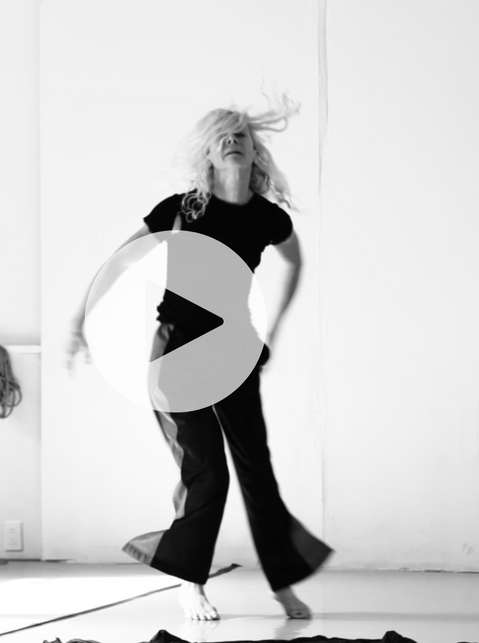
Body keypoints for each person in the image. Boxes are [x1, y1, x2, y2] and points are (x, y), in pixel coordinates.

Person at [67, 98, 331, 621]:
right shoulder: (182, 208)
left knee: (257, 469)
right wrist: (80, 321)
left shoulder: (267, 218)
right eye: (222, 136)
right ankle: (191, 582)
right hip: (178, 352)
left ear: (256, 153)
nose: (233, 141)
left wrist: (273, 328)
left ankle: (282, 585)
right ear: (208, 154)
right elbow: (120, 259)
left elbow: (296, 262)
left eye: (242, 136)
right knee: (208, 473)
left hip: (234, 351)